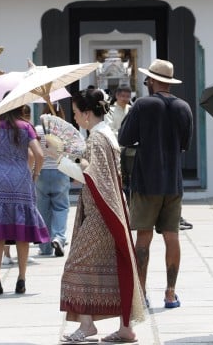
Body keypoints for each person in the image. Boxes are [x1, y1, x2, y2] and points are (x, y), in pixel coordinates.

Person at [46, 87, 145, 343]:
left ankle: (89, 325)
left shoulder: (97, 139)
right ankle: (124, 329)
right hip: (107, 207)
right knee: (110, 267)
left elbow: (92, 178)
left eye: (77, 113)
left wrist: (59, 159)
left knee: (76, 266)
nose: (75, 118)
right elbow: (95, 172)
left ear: (88, 114)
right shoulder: (105, 135)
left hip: (102, 212)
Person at [117, 59, 192, 310]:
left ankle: (141, 291)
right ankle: (170, 293)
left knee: (144, 237)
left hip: (146, 180)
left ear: (152, 80)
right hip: (173, 181)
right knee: (172, 236)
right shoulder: (184, 107)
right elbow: (184, 145)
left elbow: (125, 138)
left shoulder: (143, 104)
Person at [0, 105, 50, 295]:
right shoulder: (26, 127)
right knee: (22, 230)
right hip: (21, 177)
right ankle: (21, 278)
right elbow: (39, 155)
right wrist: (35, 173)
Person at [35, 104, 84, 258]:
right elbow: (72, 154)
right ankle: (59, 238)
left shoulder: (37, 130)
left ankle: (45, 246)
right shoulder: (64, 132)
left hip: (41, 172)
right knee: (61, 207)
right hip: (60, 170)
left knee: (42, 209)